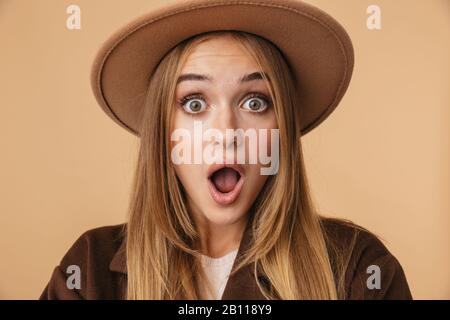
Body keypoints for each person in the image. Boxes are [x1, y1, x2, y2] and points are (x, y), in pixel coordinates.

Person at [40, 0, 412, 300]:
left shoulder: (359, 269)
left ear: (281, 132)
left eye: (254, 102)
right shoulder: (88, 269)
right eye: (195, 104)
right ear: (163, 133)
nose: (226, 133)